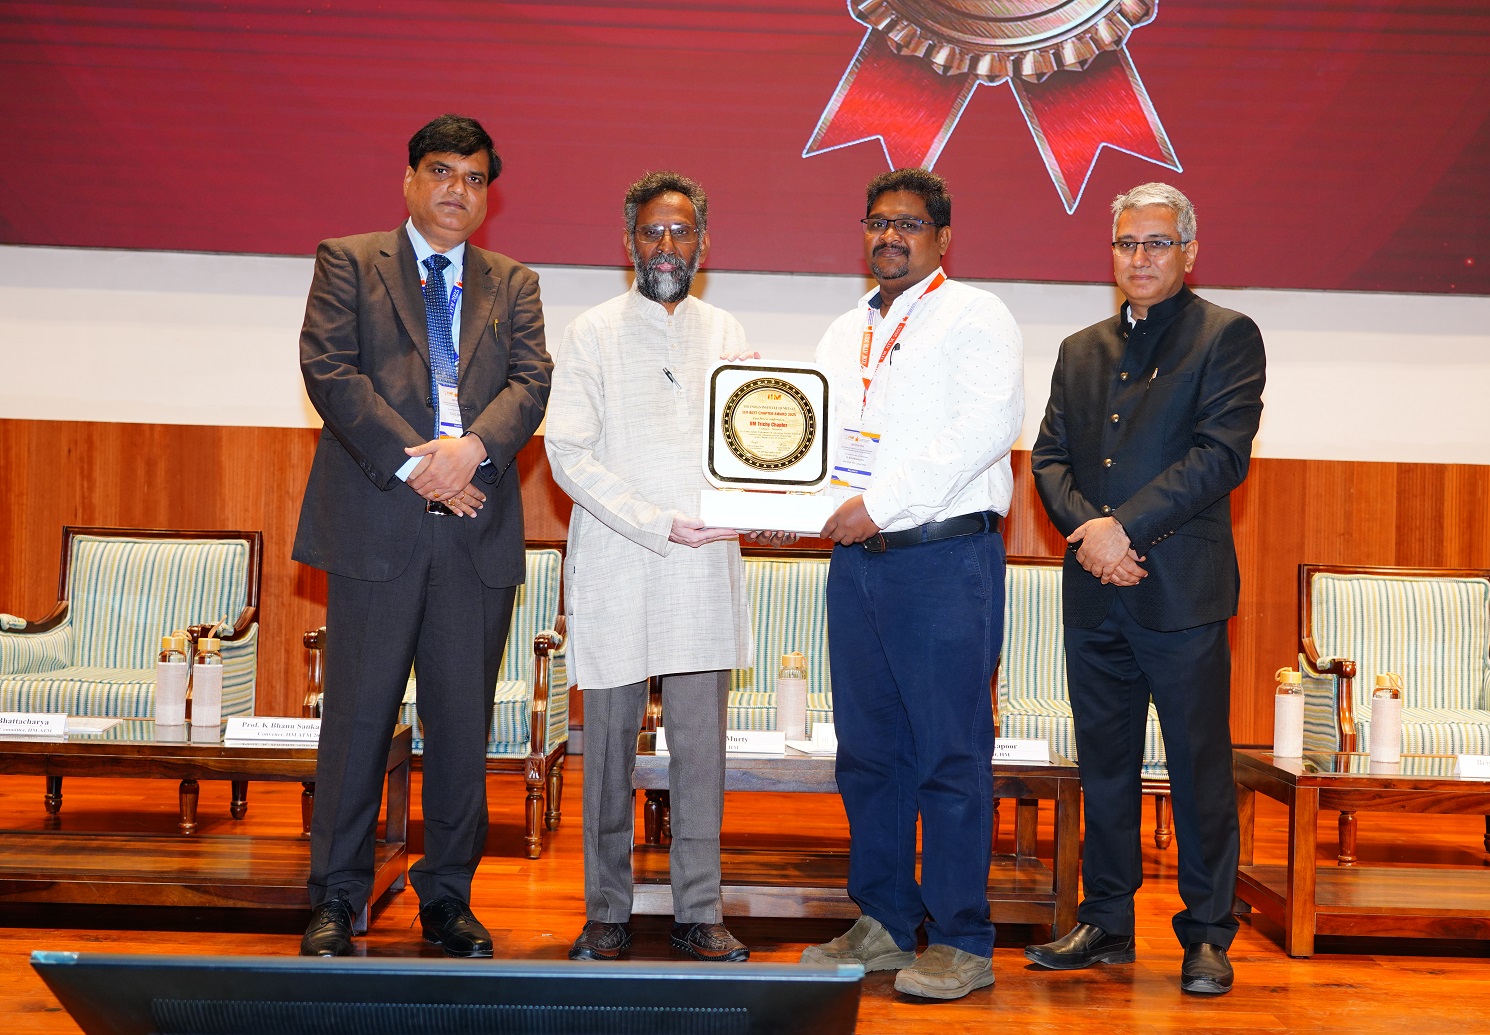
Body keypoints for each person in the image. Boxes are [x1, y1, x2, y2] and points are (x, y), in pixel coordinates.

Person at [293, 114, 552, 958]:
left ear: (488, 195)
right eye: (441, 171)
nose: (456, 190)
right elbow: (330, 371)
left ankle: (448, 898)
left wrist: (470, 449)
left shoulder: (513, 282)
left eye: (474, 178)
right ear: (409, 179)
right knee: (358, 722)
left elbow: (531, 381)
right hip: (378, 523)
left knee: (461, 727)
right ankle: (337, 897)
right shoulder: (349, 260)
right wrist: (419, 464)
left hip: (473, 532)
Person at [1025, 183, 1265, 996]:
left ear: (1189, 251)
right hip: (1096, 592)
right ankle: (1106, 920)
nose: (1140, 257)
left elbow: (1219, 455)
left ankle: (1208, 934)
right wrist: (1093, 536)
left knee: (1198, 769)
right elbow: (1049, 460)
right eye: (1127, 243)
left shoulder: (1227, 336)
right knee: (1105, 767)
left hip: (1181, 594)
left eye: (1157, 242)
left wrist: (1120, 529)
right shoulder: (1079, 348)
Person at [797, 168, 1024, 1000]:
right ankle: (886, 921)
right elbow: (818, 440)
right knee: (868, 753)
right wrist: (777, 490)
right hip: (857, 564)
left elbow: (984, 429)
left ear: (942, 237)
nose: (889, 235)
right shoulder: (842, 330)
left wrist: (879, 506)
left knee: (949, 752)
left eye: (909, 223)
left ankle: (962, 937)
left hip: (942, 559)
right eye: (877, 222)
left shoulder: (976, 315)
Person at [545, 171, 754, 964]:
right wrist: (656, 521)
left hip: (703, 567)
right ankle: (607, 910)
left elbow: (753, 440)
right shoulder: (592, 332)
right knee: (607, 751)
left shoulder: (727, 331)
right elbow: (567, 452)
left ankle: (700, 910)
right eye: (652, 232)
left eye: (681, 231)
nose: (667, 246)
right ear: (629, 241)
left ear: (705, 242)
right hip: (620, 558)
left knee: (701, 752)